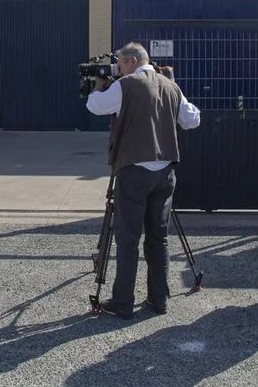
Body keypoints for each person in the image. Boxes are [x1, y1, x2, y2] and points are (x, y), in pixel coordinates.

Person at [85, 42, 202, 319]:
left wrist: (100, 84)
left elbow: (94, 106)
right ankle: (158, 299)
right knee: (158, 238)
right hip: (165, 173)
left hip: (134, 171)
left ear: (134, 61)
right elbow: (192, 120)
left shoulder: (126, 86)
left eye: (122, 65)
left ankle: (123, 301)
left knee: (128, 238)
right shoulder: (171, 86)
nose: (119, 70)